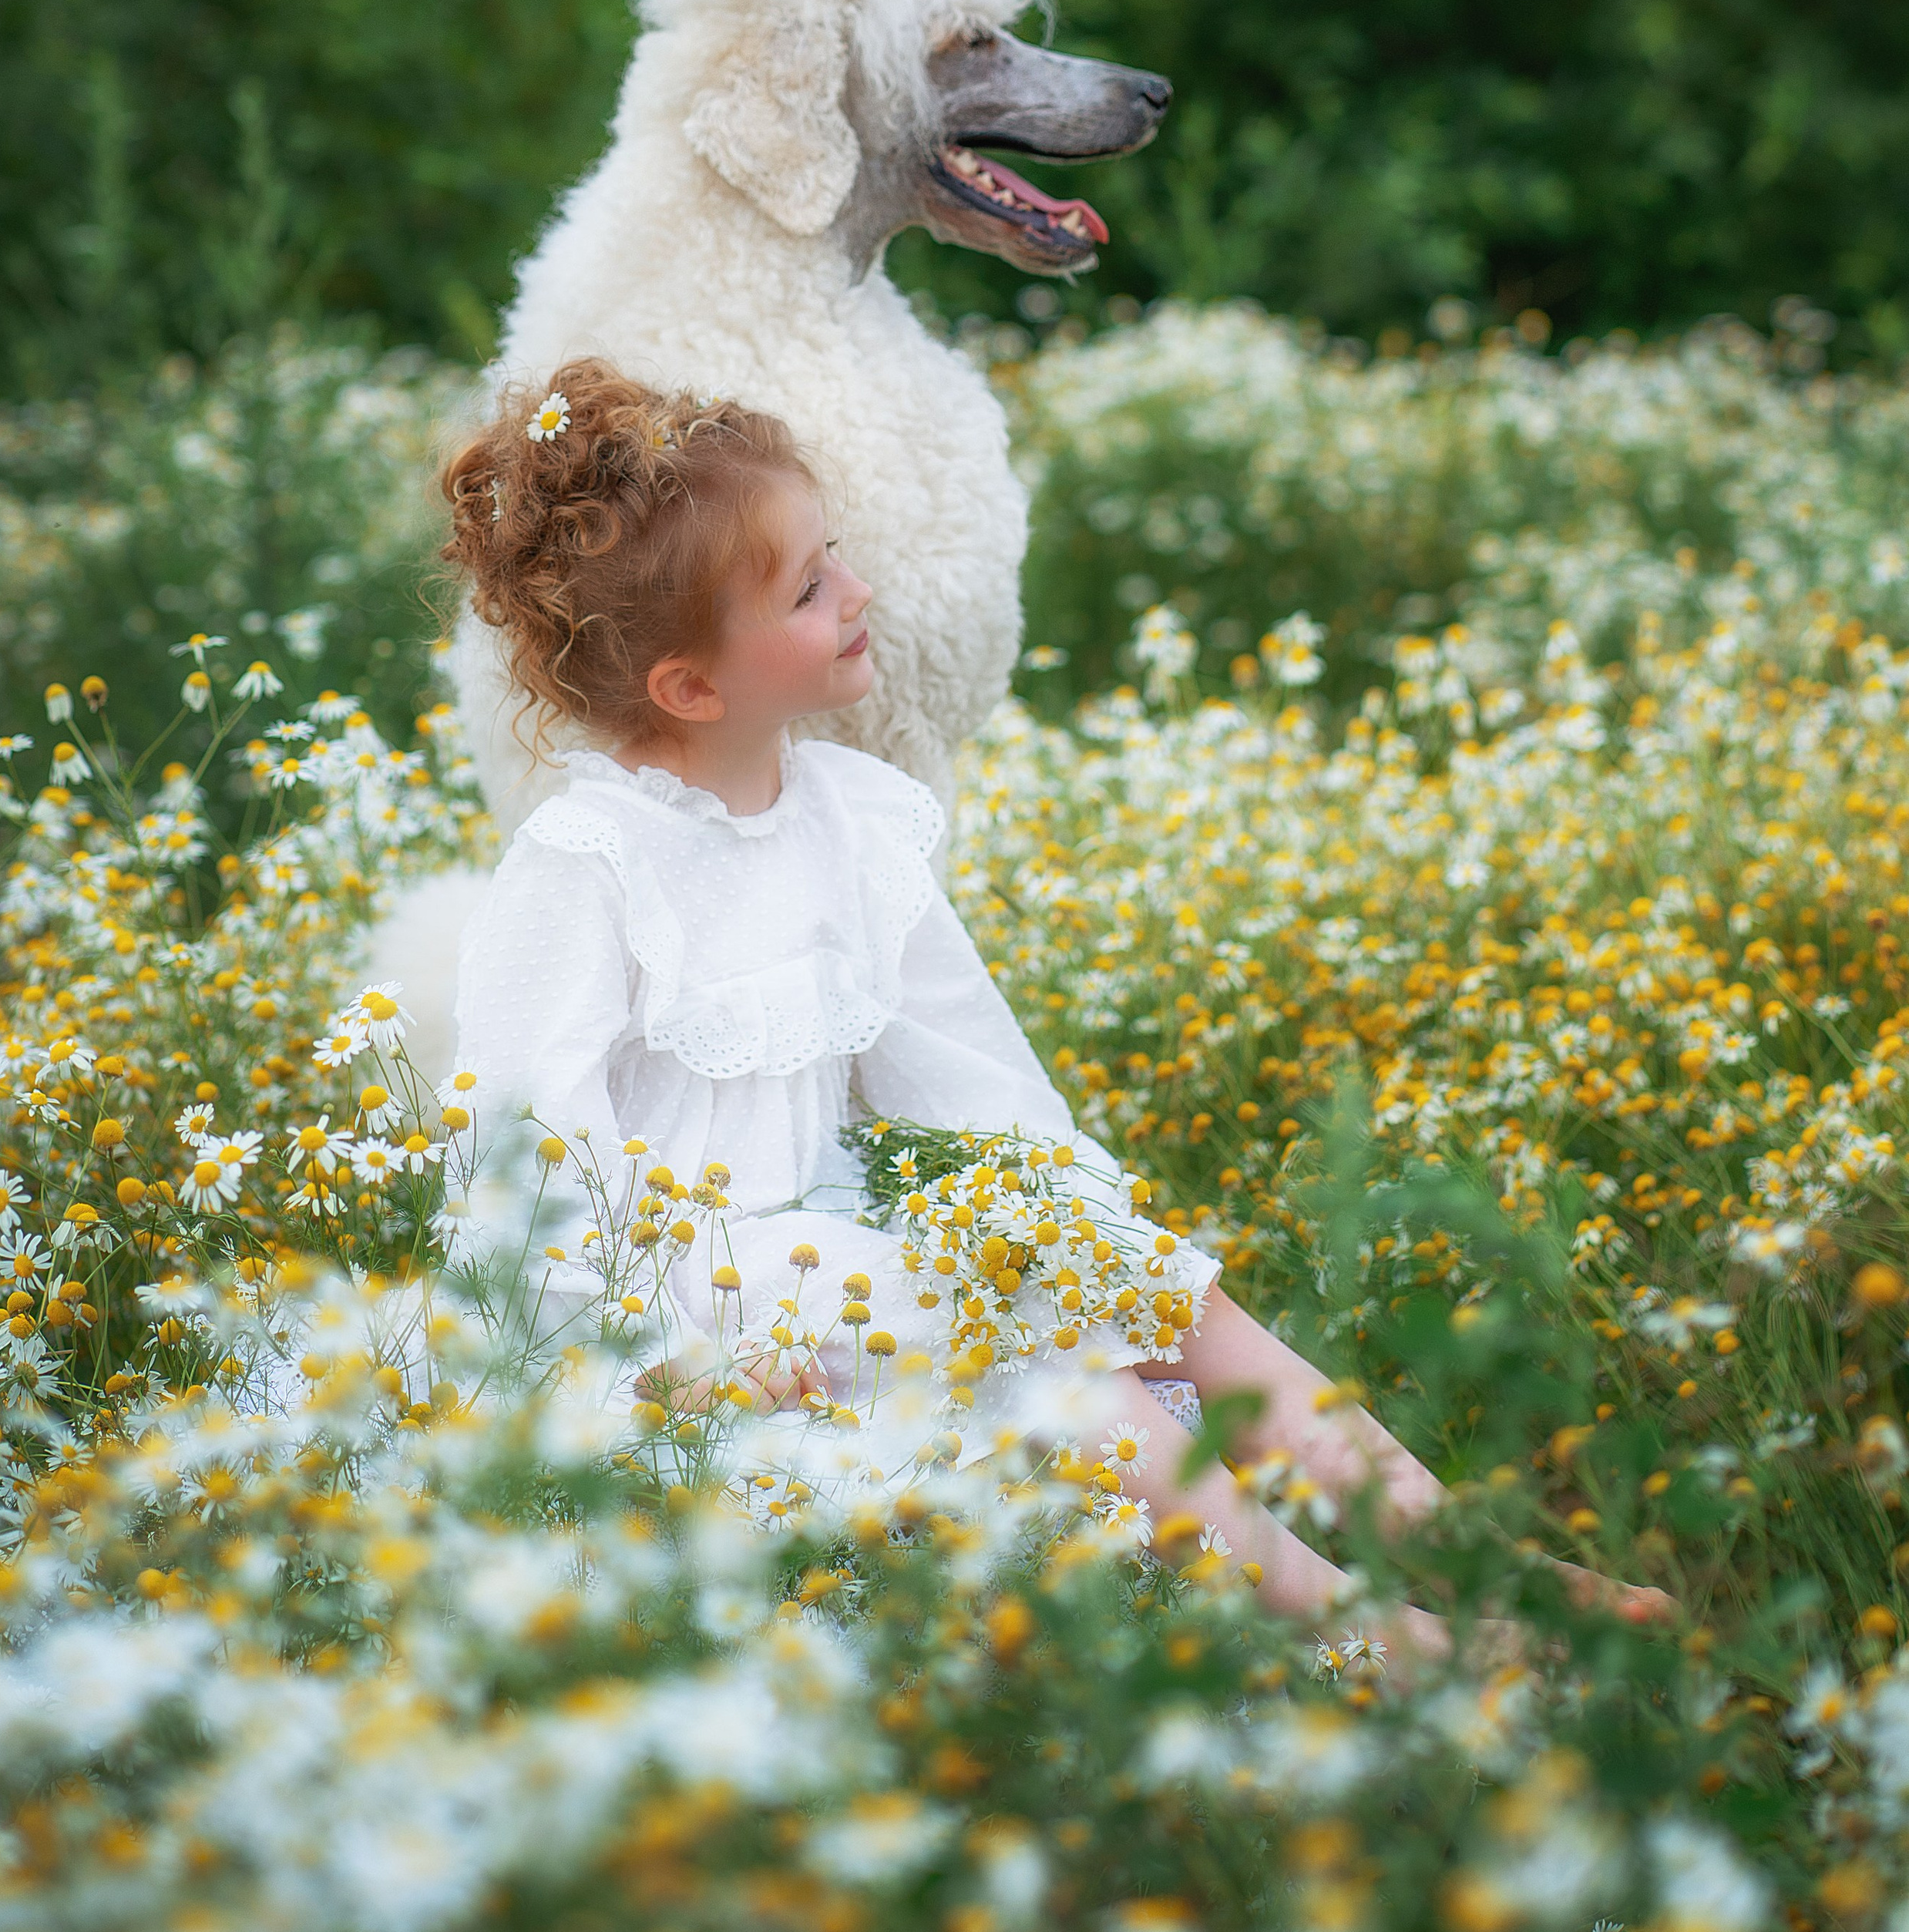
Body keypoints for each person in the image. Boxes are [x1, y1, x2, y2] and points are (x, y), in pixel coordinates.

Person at [444, 358, 1671, 1663]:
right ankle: (1377, 1640)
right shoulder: (591, 863)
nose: (857, 592)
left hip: (839, 1235)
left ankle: (1469, 1558)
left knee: (1175, 1301)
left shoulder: (850, 820)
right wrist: (667, 1355)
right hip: (712, 1295)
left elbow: (966, 1071)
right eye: (807, 589)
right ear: (693, 687)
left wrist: (1077, 1228)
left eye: (834, 555)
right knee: (1065, 1375)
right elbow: (522, 1163)